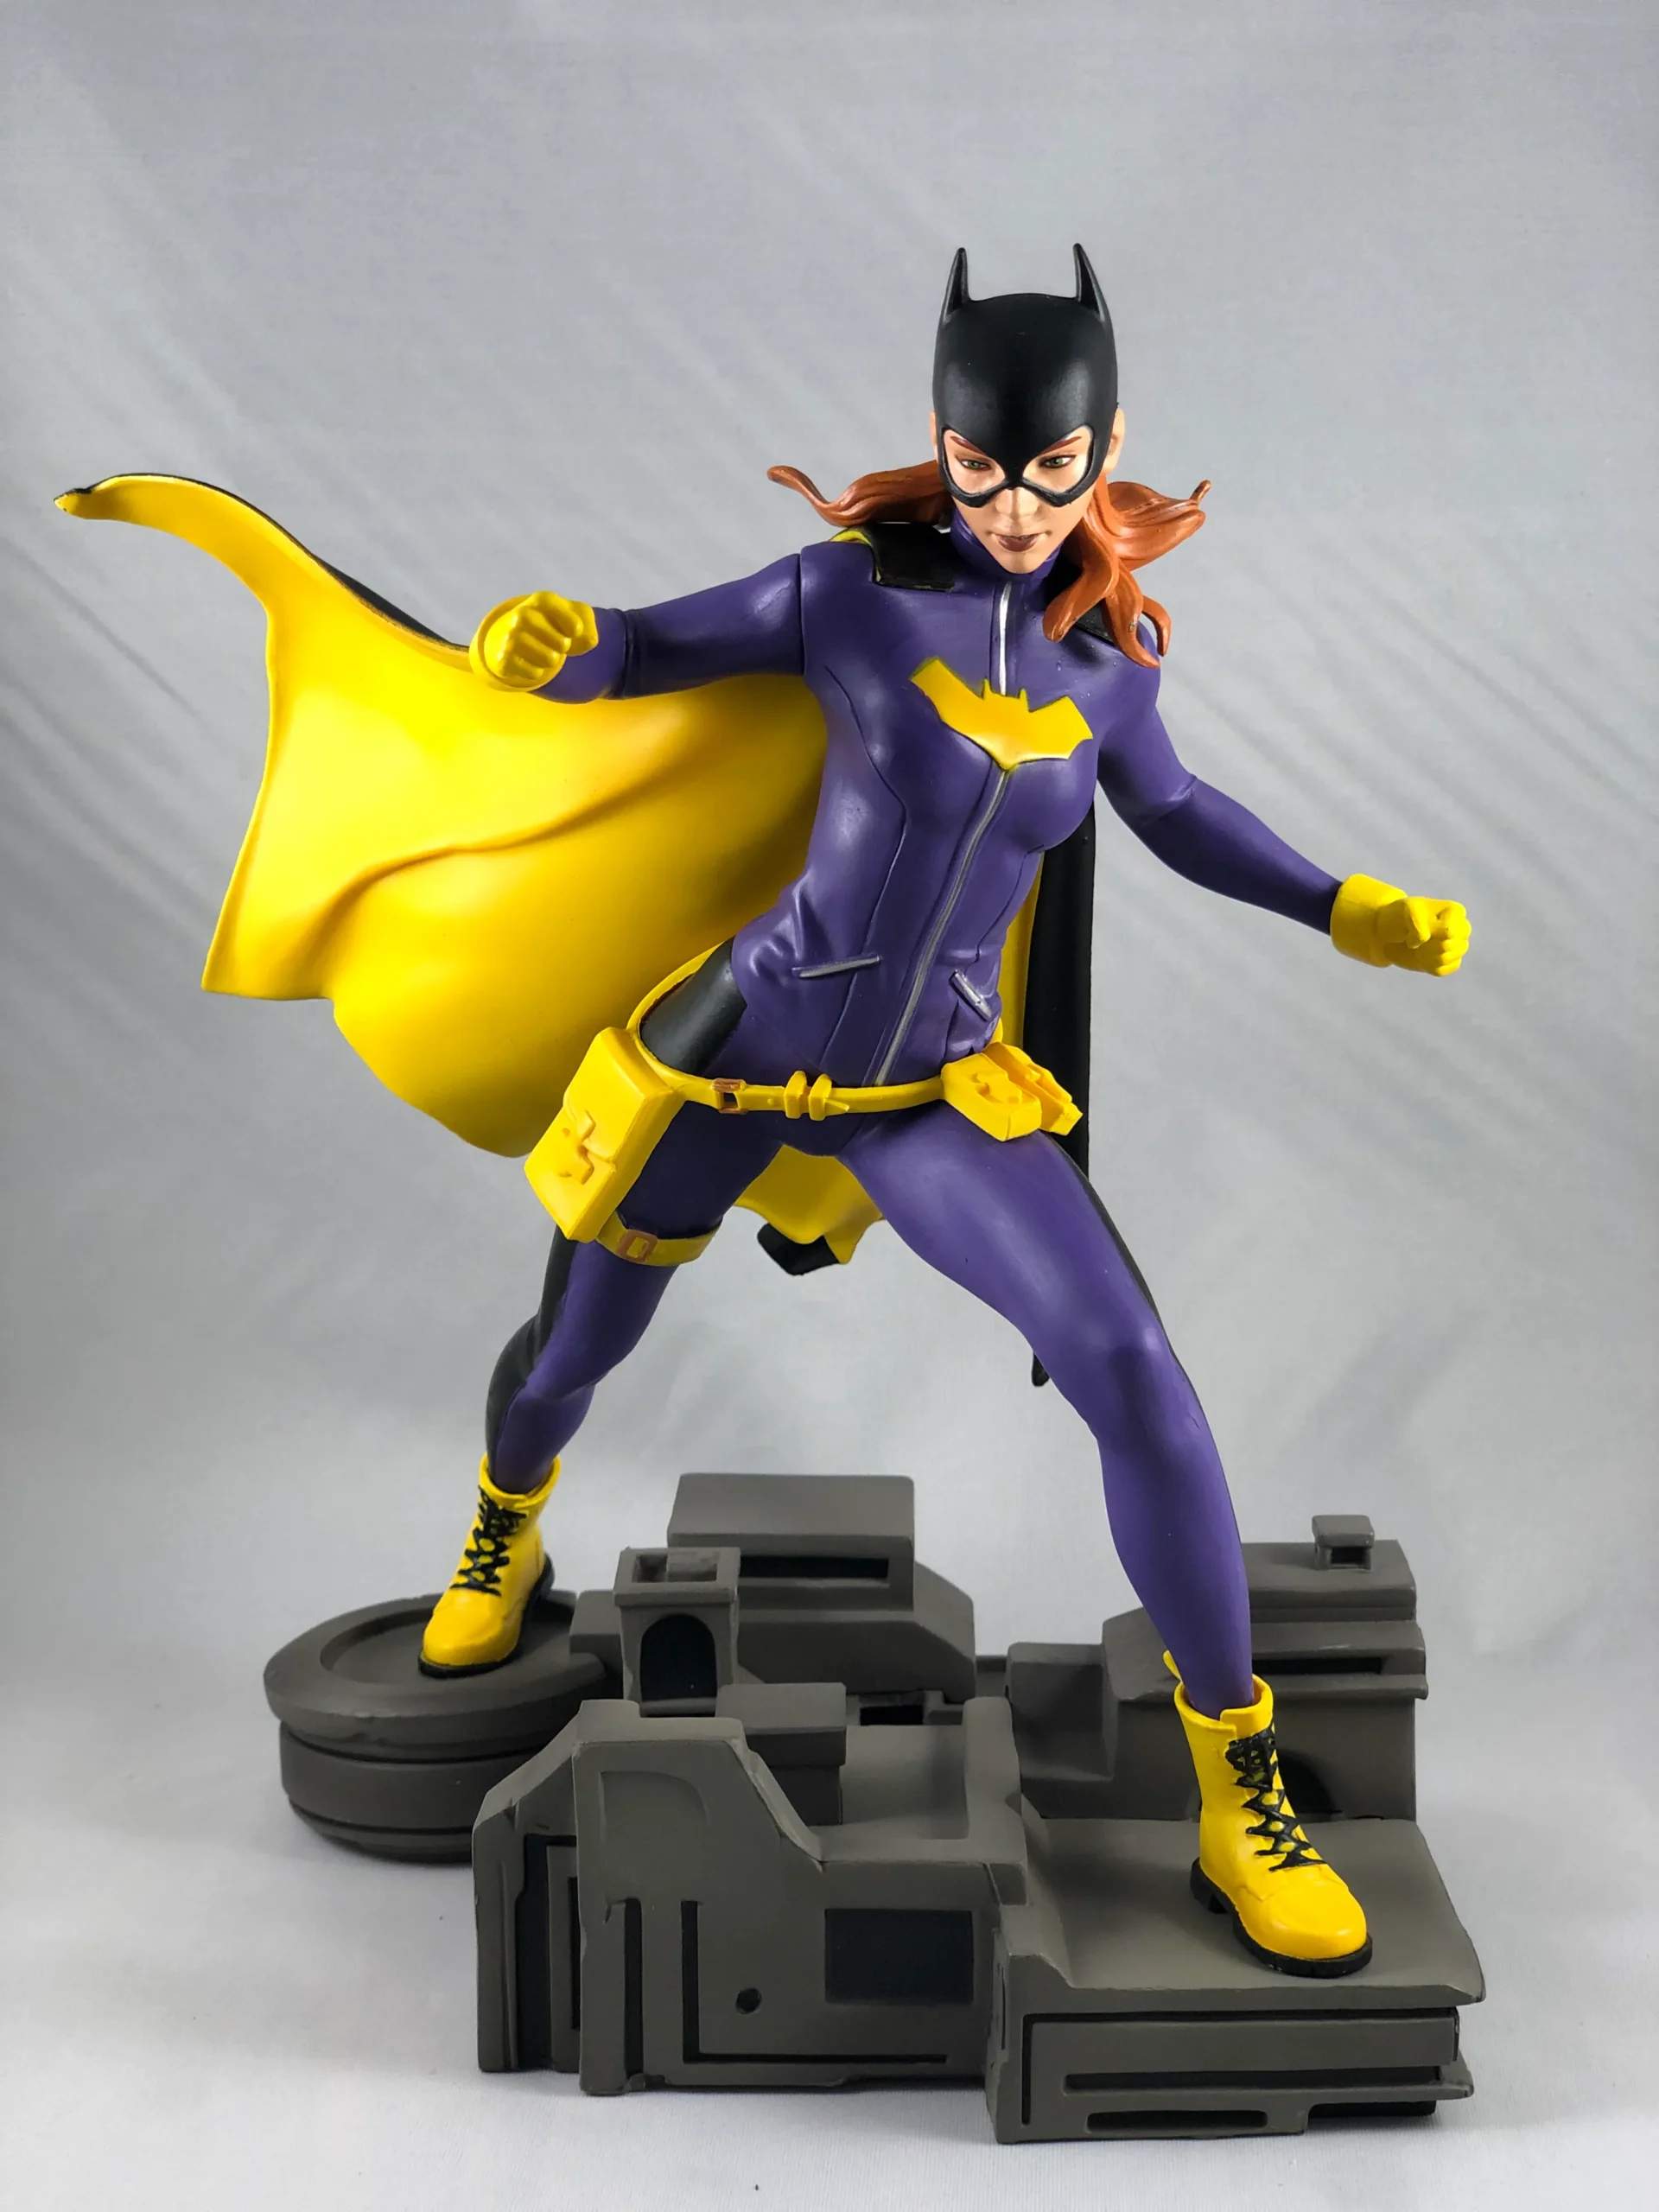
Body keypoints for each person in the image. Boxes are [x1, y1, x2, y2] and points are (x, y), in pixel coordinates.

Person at [419, 246, 1470, 1979]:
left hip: (930, 1091)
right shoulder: (847, 595)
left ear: (1105, 444)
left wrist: (1337, 902)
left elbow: (1178, 812)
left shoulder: (1108, 664)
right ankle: (500, 1522)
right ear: (942, 444)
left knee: (1138, 1375)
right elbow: (651, 645)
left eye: (1049, 471)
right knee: (574, 1345)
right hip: (737, 1046)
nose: (1011, 510)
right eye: (980, 471)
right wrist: (559, 641)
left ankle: (1240, 1789)